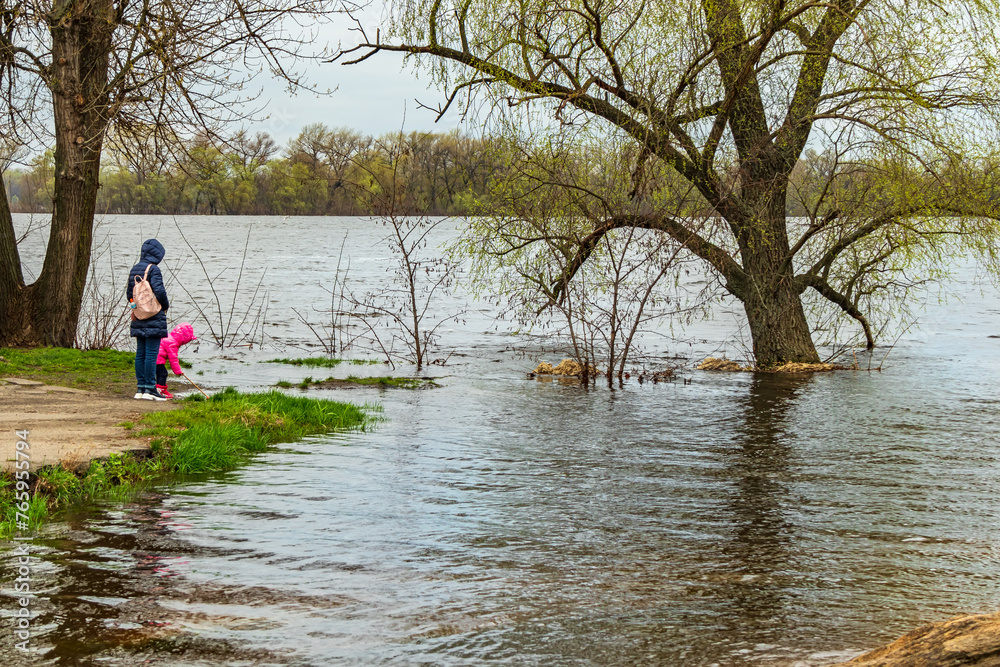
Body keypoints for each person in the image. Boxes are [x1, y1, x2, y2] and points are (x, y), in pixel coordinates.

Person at [127, 239, 170, 400]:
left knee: (141, 353)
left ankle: (140, 388)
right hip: (154, 315)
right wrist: (165, 306)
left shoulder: (134, 269)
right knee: (152, 353)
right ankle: (151, 388)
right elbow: (159, 291)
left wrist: (135, 310)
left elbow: (129, 296)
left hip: (139, 316)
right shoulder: (154, 269)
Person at [156, 322, 197, 399]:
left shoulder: (168, 336)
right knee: (163, 373)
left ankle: (156, 388)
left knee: (159, 373)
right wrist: (178, 371)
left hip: (153, 357)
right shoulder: (172, 343)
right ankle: (160, 390)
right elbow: (173, 359)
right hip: (157, 358)